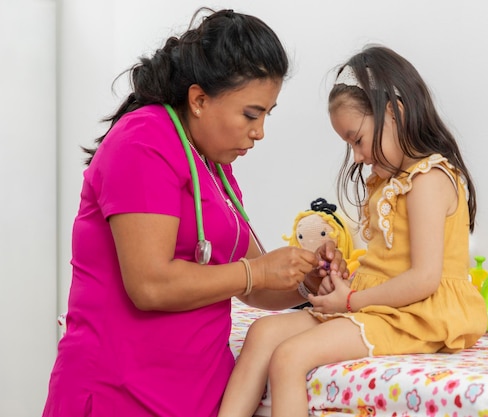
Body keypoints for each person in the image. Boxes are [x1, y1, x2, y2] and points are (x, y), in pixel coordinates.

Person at [42, 8, 347, 417]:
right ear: (199, 99)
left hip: (196, 397)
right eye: (251, 114)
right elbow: (150, 284)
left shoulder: (213, 166)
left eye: (266, 116)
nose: (259, 132)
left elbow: (254, 285)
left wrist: (307, 283)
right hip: (121, 395)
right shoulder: (142, 143)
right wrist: (257, 272)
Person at [217, 45, 488, 417]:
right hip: (379, 304)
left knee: (289, 358)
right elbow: (386, 262)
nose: (357, 156)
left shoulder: (428, 180)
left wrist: (349, 303)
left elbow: (424, 279)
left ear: (393, 113)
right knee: (262, 333)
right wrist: (343, 277)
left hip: (416, 313)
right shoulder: (388, 180)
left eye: (356, 139)